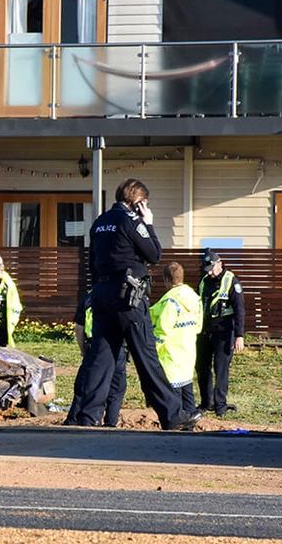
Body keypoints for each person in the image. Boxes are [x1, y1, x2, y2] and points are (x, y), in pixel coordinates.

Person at [69, 178, 200, 431]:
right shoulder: (131, 220)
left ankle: (87, 416)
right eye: (145, 203)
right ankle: (173, 415)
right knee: (146, 356)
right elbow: (154, 254)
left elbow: (92, 263)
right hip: (128, 298)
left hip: (102, 294)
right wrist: (148, 223)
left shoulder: (99, 222)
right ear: (138, 202)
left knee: (101, 358)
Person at [65, 290, 126, 427]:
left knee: (85, 384)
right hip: (118, 348)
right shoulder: (121, 295)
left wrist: (83, 351)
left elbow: (79, 328)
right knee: (116, 388)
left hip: (96, 346)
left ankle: (77, 420)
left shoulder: (89, 298)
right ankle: (111, 423)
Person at [196, 249, 245, 417]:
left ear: (220, 264)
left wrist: (239, 335)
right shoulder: (204, 281)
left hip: (224, 331)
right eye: (207, 269)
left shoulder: (231, 281)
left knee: (221, 368)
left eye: (211, 269)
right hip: (205, 330)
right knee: (202, 367)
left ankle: (220, 405)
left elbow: (239, 310)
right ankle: (206, 402)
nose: (209, 272)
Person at [150, 262, 203, 415]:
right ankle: (191, 420)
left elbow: (162, 331)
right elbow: (198, 327)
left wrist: (153, 350)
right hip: (187, 351)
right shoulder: (195, 298)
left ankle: (178, 422)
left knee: (173, 396)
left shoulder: (170, 301)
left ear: (166, 280)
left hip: (170, 355)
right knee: (187, 390)